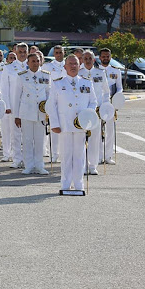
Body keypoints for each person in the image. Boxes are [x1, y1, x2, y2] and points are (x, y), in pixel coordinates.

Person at [47, 55, 97, 192]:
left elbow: (93, 102)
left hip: (81, 125)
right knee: (67, 155)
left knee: (80, 156)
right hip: (65, 125)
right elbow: (51, 105)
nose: (73, 66)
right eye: (70, 64)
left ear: (79, 65)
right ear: (65, 67)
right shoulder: (58, 83)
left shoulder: (87, 83)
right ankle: (65, 184)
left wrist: (88, 117)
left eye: (75, 63)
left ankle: (79, 184)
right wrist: (54, 124)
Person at [13, 53, 51, 175]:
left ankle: (39, 165)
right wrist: (16, 116)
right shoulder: (22, 76)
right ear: (28, 63)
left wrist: (49, 112)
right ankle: (28, 165)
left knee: (40, 141)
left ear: (40, 62)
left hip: (41, 113)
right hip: (26, 112)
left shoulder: (46, 75)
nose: (35, 63)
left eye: (37, 61)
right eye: (33, 61)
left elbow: (49, 94)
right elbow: (16, 97)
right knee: (27, 140)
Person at [1, 43, 28, 168]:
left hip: (29, 105)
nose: (22, 54)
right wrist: (7, 105)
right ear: (15, 53)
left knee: (29, 135)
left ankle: (28, 159)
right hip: (14, 104)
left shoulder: (32, 65)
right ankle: (17, 158)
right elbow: (4, 88)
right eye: (20, 52)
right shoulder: (9, 68)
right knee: (15, 134)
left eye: (24, 51)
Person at [99, 48, 122, 165]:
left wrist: (117, 100)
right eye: (103, 56)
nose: (105, 58)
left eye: (107, 56)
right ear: (99, 58)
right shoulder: (96, 71)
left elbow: (120, 88)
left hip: (110, 105)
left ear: (110, 57)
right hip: (98, 104)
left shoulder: (116, 71)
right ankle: (98, 156)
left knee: (110, 131)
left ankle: (108, 156)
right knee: (97, 130)